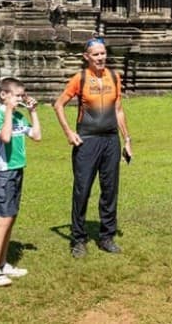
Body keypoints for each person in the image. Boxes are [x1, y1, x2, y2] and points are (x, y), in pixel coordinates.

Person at [54, 37, 133, 258]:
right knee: (82, 190)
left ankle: (107, 237)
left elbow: (118, 110)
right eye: (96, 54)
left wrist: (127, 139)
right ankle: (78, 239)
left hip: (111, 140)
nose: (100, 57)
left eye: (103, 53)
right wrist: (69, 132)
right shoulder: (80, 78)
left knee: (110, 189)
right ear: (86, 57)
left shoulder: (114, 77)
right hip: (87, 140)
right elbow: (58, 105)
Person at [0, 77, 42, 287]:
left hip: (17, 169)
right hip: (3, 172)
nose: (20, 99)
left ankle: (2, 263)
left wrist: (32, 112)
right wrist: (9, 110)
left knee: (11, 216)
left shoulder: (18, 116)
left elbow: (36, 136)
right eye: (17, 96)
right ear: (4, 95)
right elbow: (5, 138)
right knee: (4, 219)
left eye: (21, 96)